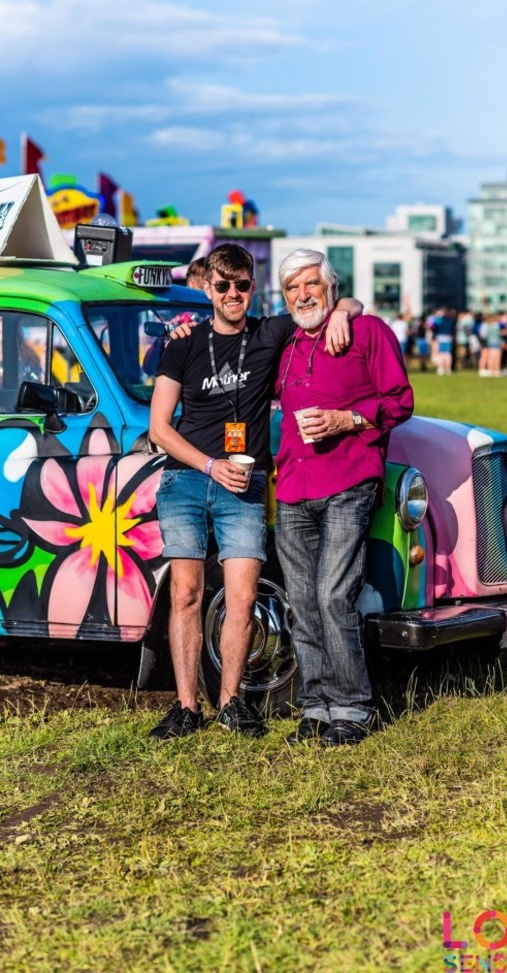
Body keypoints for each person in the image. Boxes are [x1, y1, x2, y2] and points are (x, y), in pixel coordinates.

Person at [147, 244, 360, 741]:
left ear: (252, 286)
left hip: (244, 483)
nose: (233, 294)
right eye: (222, 285)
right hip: (187, 479)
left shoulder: (270, 332)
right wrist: (209, 464)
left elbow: (339, 304)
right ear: (208, 288)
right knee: (185, 594)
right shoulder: (182, 344)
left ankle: (232, 702)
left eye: (242, 284)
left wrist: (343, 314)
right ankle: (186, 707)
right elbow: (159, 428)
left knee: (242, 597)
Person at [274, 250, 414, 746]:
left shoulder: (367, 331)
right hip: (292, 486)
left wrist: (347, 419)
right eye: (293, 287)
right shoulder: (285, 344)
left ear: (331, 288)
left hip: (349, 481)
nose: (303, 294)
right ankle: (316, 707)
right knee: (303, 601)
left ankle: (352, 709)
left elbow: (401, 402)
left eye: (312, 284)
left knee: (335, 595)